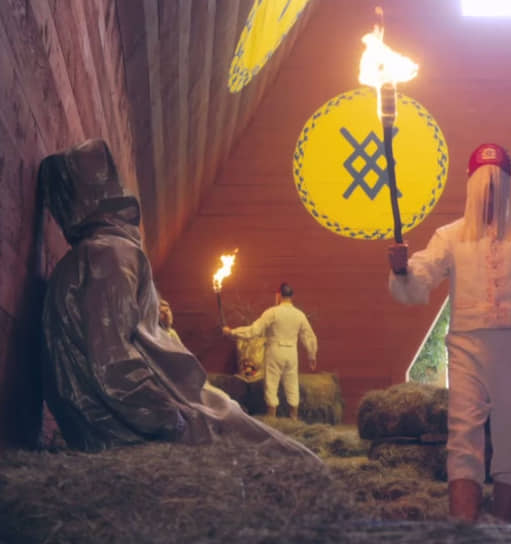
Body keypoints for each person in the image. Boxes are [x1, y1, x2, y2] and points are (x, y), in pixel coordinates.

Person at [38, 139, 316, 458]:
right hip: (124, 422)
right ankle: (304, 464)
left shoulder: (93, 257)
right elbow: (113, 363)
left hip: (116, 413)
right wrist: (173, 419)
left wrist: (160, 320)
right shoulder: (112, 255)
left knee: (232, 410)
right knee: (248, 430)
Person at [387, 143, 511, 523]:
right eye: (484, 184)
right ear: (471, 185)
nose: (490, 193)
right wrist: (402, 270)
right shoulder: (451, 236)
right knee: (463, 433)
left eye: (497, 184)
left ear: (508, 185)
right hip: (466, 345)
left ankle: (502, 525)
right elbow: (419, 279)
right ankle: (464, 529)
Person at [222, 283, 317, 421]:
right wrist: (311, 356)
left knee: (271, 385)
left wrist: (232, 332)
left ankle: (272, 419)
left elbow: (254, 330)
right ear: (292, 296)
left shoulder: (272, 312)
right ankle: (294, 419)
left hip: (275, 351)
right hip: (291, 353)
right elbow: (309, 336)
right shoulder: (299, 315)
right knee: (292, 384)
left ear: (278, 295)